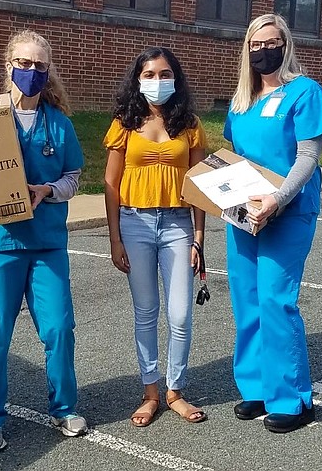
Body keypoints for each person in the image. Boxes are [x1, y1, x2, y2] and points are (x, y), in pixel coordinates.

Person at [0, 29, 87, 454]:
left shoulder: (58, 125)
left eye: (39, 66)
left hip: (45, 244)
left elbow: (74, 178)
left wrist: (48, 191)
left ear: (48, 72)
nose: (30, 71)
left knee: (59, 327)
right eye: (23, 63)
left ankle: (64, 407)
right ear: (8, 66)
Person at [224, 13, 322, 433]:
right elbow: (233, 155)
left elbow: (308, 157)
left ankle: (293, 397)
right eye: (254, 44)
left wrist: (277, 198)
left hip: (288, 210)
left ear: (285, 45)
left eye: (271, 42)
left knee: (275, 299)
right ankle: (257, 388)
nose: (262, 50)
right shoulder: (241, 101)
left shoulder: (304, 92)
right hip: (245, 213)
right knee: (246, 298)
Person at [103, 46, 207, 427]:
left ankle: (175, 390)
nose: (157, 81)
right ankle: (150, 393)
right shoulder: (125, 122)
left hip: (178, 224)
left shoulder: (189, 123)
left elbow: (200, 184)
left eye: (164, 74)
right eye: (149, 74)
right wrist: (114, 239)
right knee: (145, 313)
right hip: (134, 223)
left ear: (175, 79)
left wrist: (199, 237)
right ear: (137, 80)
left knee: (180, 314)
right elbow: (111, 183)